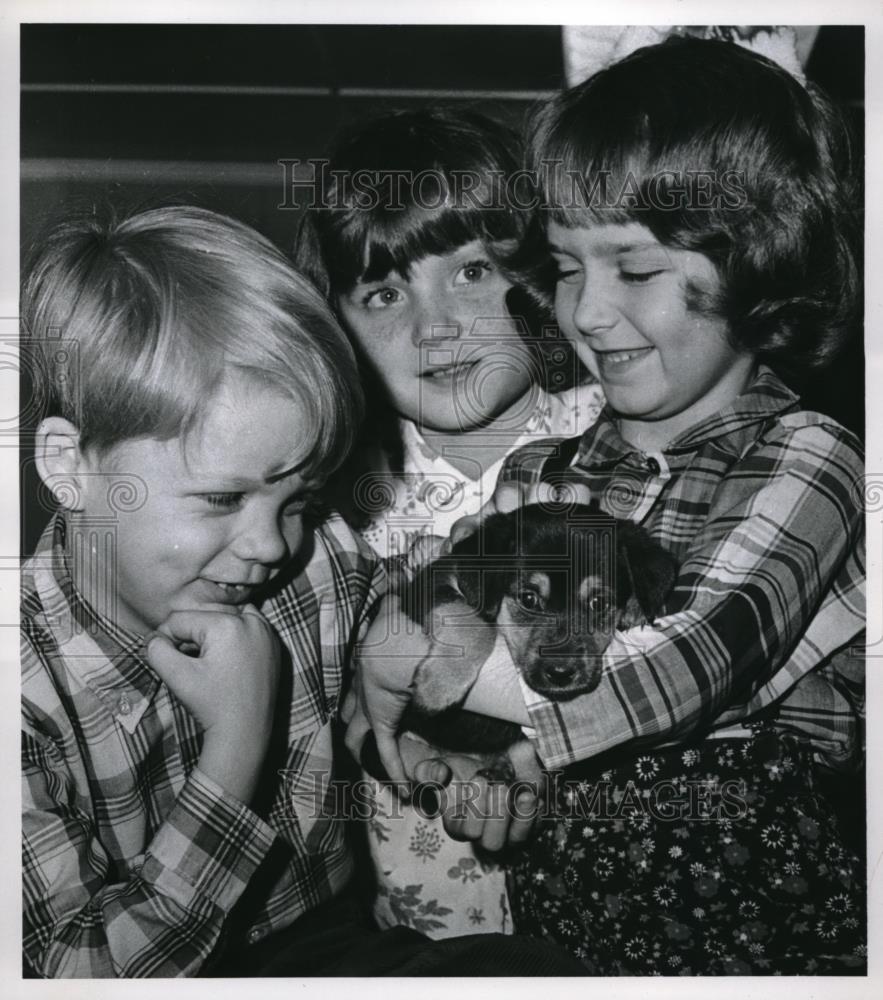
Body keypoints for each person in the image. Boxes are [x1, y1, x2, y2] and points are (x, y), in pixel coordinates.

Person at [345, 37, 866, 974]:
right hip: (569, 922)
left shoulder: (809, 457)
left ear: (756, 263)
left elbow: (692, 663)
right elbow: (467, 614)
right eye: (567, 267)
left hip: (751, 917)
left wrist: (442, 662)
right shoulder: (544, 470)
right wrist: (485, 770)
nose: (583, 312)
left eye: (631, 269)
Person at [20, 205, 587, 977]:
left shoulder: (315, 564)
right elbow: (61, 974)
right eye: (222, 499)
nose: (270, 544)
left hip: (326, 938)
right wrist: (236, 747)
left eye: (297, 500)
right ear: (71, 467)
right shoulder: (21, 700)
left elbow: (365, 707)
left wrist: (445, 755)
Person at [295, 107, 603, 939]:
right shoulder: (333, 505)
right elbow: (328, 709)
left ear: (541, 274)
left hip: (623, 903)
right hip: (429, 916)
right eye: (385, 292)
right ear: (337, 327)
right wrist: (432, 767)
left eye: (469, 273)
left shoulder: (618, 436)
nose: (433, 328)